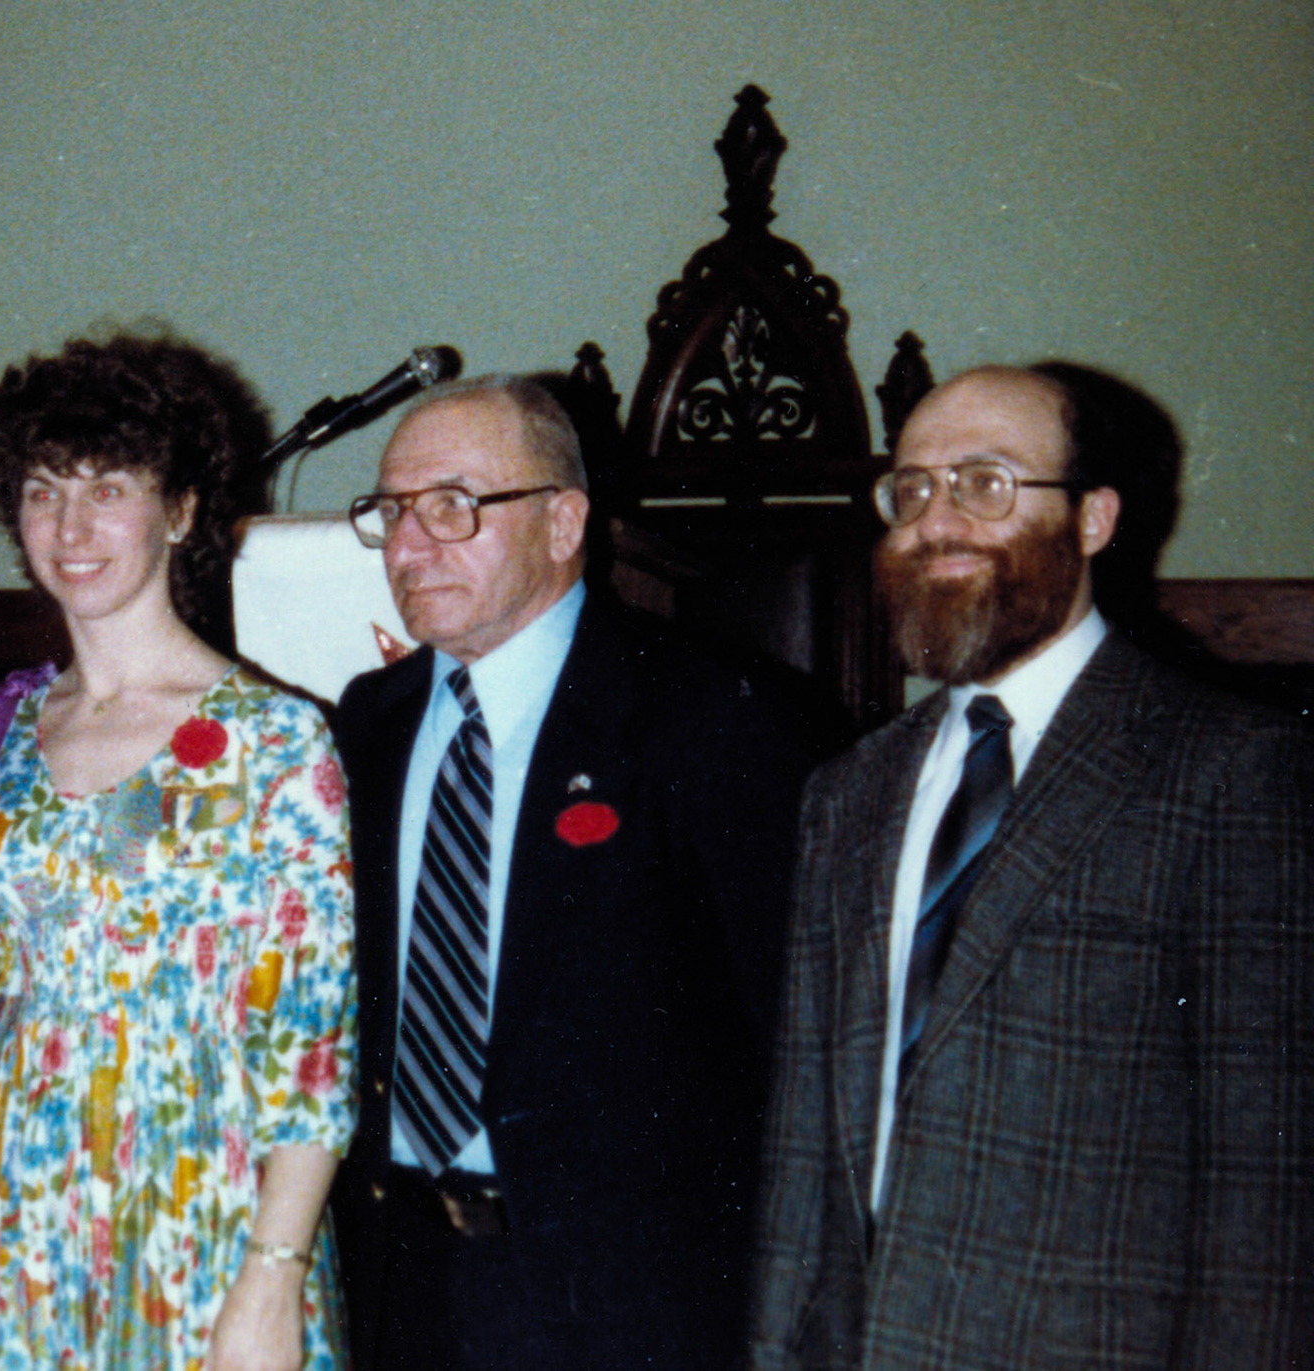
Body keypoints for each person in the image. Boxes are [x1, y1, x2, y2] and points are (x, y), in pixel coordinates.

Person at [751, 364, 1314, 1368]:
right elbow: (806, 1158)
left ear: (1093, 519)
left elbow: (1266, 1191)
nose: (936, 523)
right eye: (911, 491)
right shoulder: (848, 794)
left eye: (987, 483)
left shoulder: (1231, 771)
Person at [330, 375, 815, 1369]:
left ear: (563, 522)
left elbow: (790, 1044)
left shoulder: (711, 715)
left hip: (626, 1303)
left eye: (453, 507)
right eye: (391, 513)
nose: (411, 547)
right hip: (397, 1281)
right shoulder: (365, 725)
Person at [0, 331, 358, 1371]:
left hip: (205, 1225)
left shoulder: (276, 742)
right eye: (44, 490)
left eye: (109, 488)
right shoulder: (2, 735)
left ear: (180, 512)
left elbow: (312, 1050)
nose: (72, 526)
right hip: (19, 1226)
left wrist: (274, 1275)